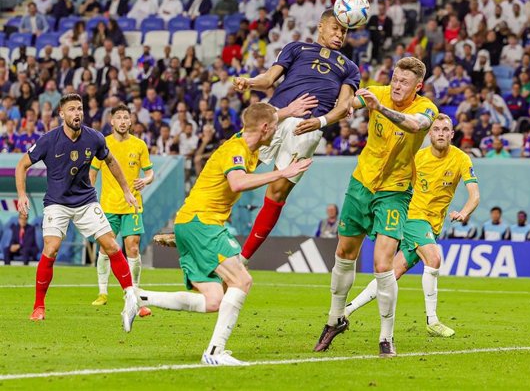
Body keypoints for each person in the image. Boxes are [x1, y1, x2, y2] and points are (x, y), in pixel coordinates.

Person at [139, 103, 312, 366]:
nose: (277, 131)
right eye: (274, 127)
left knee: (213, 300)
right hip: (202, 222)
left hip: (191, 222)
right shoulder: (236, 149)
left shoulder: (244, 143)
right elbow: (238, 182)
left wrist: (287, 110)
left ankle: (138, 297)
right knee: (242, 281)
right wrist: (282, 173)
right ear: (265, 128)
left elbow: (263, 119)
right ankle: (214, 352)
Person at [313, 57, 438, 357]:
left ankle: (386, 337)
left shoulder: (427, 108)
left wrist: (380, 109)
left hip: (394, 192)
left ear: (417, 86)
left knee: (383, 264)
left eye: (404, 82)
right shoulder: (376, 92)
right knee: (344, 253)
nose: (396, 85)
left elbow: (415, 125)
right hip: (362, 184)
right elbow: (347, 105)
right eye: (394, 78)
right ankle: (335, 320)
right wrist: (322, 115)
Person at [233, 10, 360, 264]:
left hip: (306, 129)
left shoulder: (350, 67)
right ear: (320, 26)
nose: (339, 34)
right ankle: (201, 220)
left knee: (276, 193)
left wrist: (320, 121)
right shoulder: (296, 48)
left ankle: (241, 260)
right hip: (274, 117)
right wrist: (248, 82)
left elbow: (344, 106)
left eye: (344, 31)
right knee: (232, 169)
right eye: (335, 28)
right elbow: (268, 79)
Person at [344, 115, 479, 338]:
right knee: (434, 258)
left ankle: (346, 310)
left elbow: (474, 195)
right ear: (429, 134)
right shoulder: (417, 157)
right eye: (436, 129)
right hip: (412, 217)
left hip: (433, 224)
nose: (441, 133)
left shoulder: (462, 159)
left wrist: (464, 212)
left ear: (452, 134)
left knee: (391, 273)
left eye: (446, 130)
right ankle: (432, 320)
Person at [15, 94, 140, 330]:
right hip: (57, 202)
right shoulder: (48, 140)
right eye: (71, 109)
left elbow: (111, 162)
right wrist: (22, 194)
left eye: (80, 109)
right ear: (62, 114)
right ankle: (39, 306)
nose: (77, 113)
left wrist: (126, 190)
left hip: (85, 201)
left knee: (112, 245)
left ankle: (131, 297)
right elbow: (22, 165)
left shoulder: (94, 138)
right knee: (51, 248)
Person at [89, 104, 155, 317]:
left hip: (132, 204)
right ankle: (102, 291)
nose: (123, 121)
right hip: (107, 205)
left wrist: (145, 180)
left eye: (126, 117)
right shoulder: (103, 143)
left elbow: (150, 173)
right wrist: (90, 200)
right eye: (119, 117)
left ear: (131, 121)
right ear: (112, 121)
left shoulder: (139, 145)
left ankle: (134, 291)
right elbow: (92, 173)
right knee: (105, 248)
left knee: (132, 248)